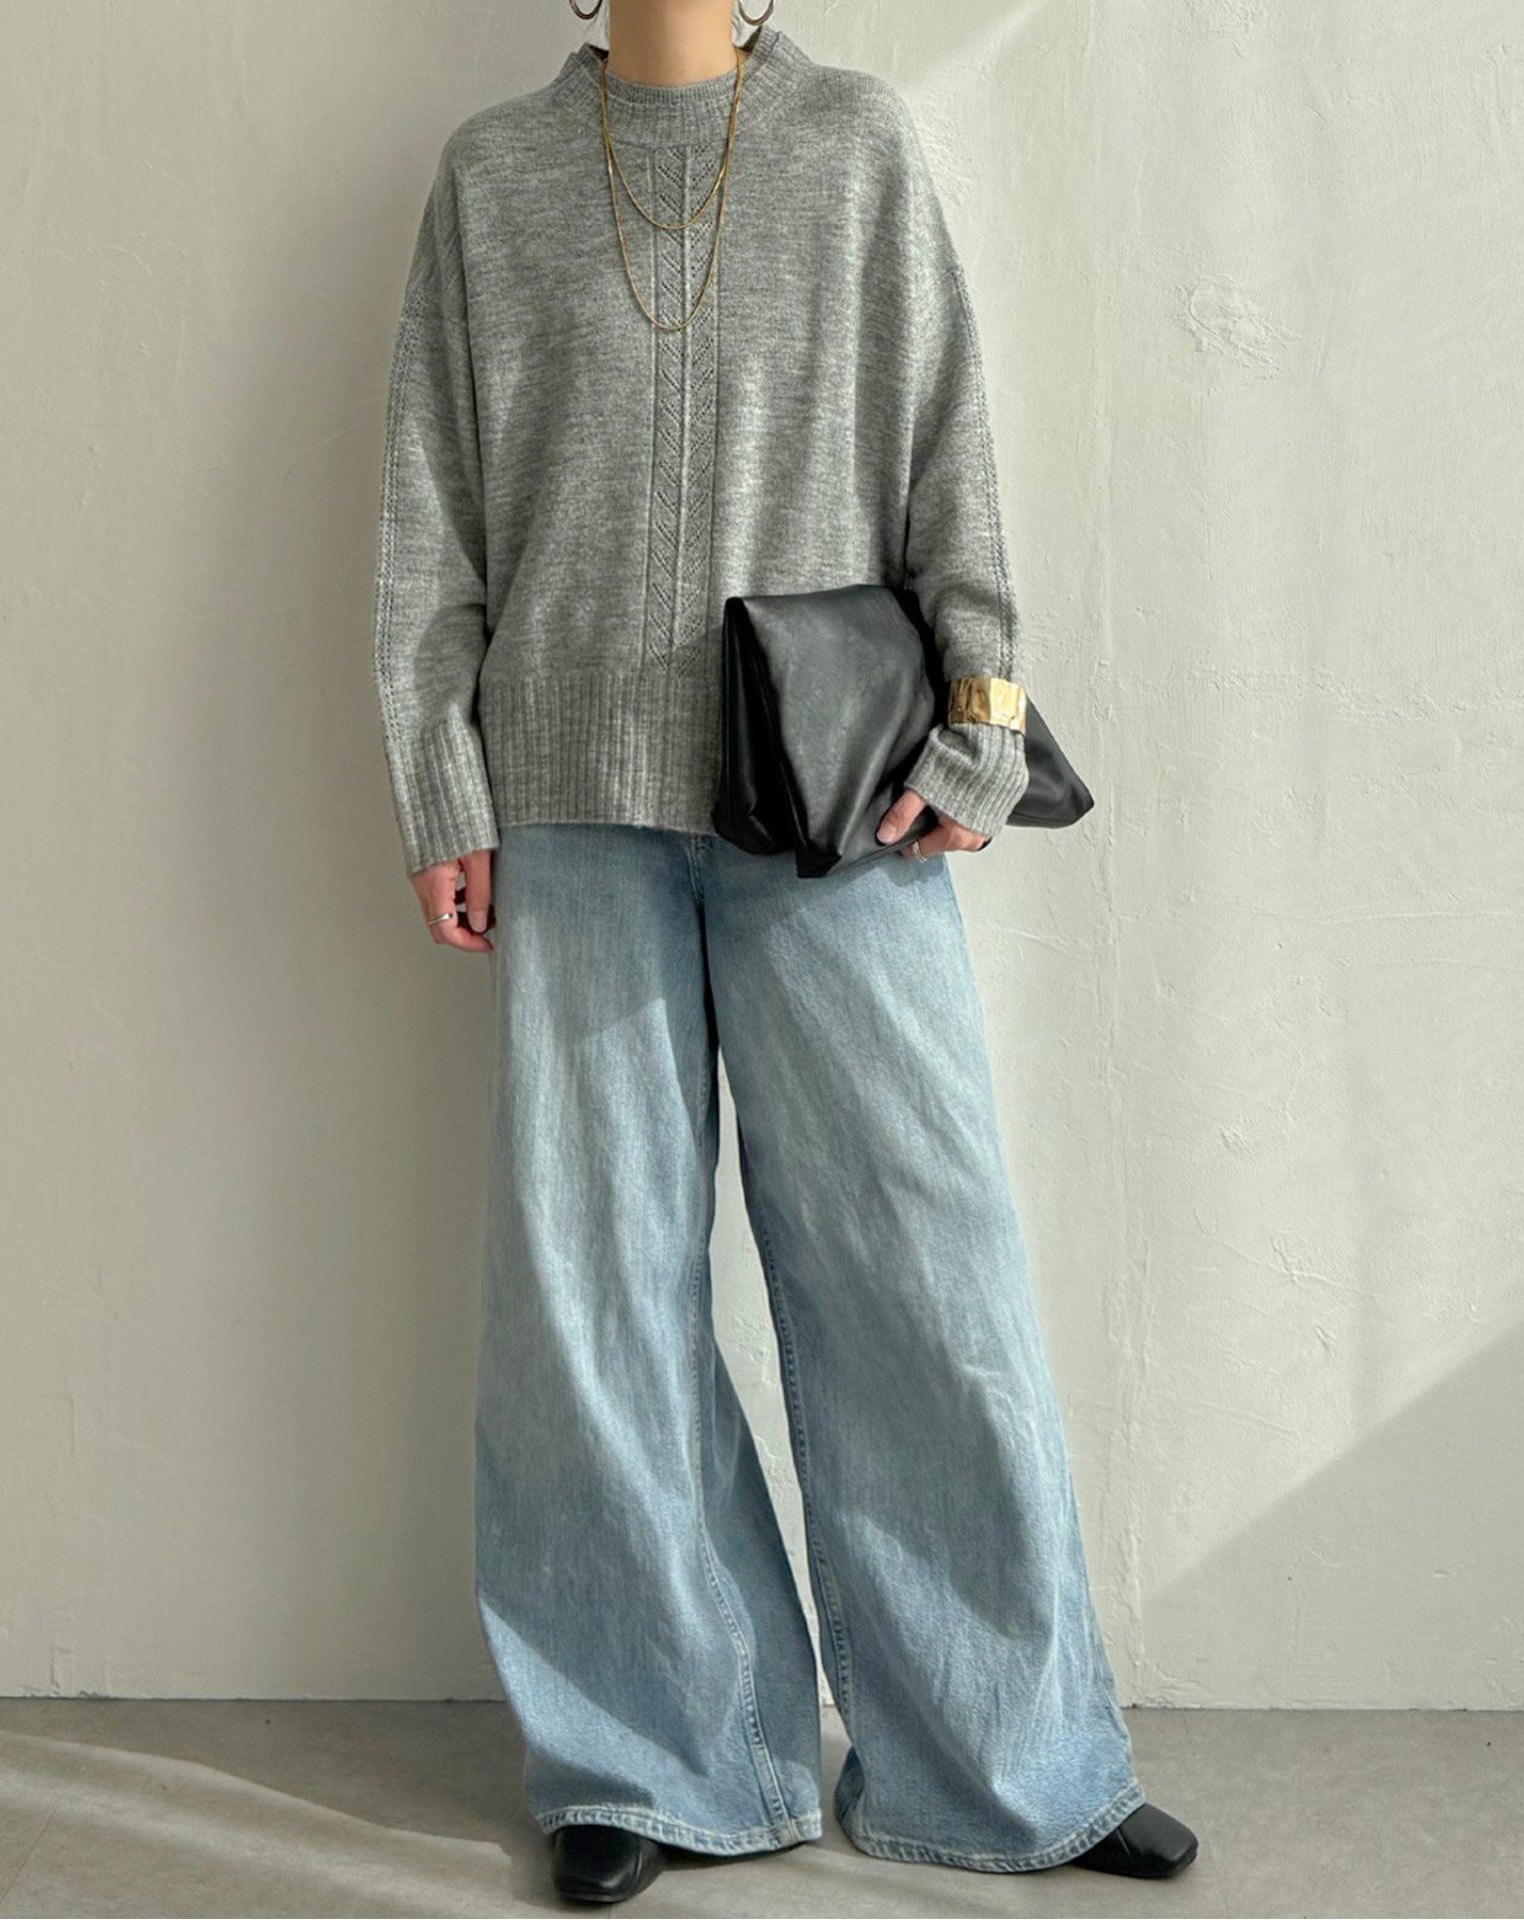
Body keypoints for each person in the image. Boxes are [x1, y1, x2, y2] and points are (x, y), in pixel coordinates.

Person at [371, 0, 1198, 1904]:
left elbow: (943, 451)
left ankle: (1011, 1762)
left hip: (834, 798)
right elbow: (434, 520)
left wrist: (982, 720)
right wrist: (441, 784)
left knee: (925, 1267)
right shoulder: (492, 178)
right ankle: (647, 1758)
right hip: (568, 800)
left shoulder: (855, 146)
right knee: (588, 1300)